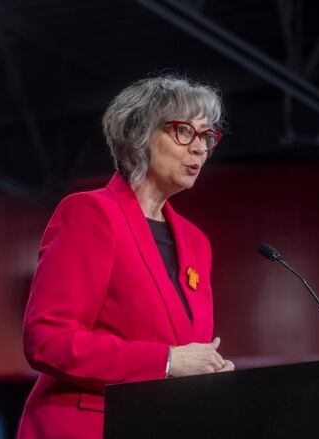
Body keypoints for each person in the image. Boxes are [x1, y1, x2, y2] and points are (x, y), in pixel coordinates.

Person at [17, 75, 235, 439]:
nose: (200, 148)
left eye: (208, 136)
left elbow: (183, 353)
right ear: (140, 135)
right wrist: (167, 361)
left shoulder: (197, 243)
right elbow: (48, 340)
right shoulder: (90, 213)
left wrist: (205, 372)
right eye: (185, 132)